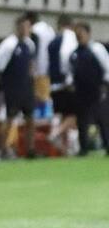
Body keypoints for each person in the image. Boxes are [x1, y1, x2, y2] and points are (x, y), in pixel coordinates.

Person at [0, 16, 37, 159]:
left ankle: (30, 149)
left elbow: (31, 64)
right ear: (17, 27)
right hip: (12, 87)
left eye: (28, 27)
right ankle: (4, 149)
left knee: (30, 118)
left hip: (26, 86)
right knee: (10, 117)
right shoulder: (8, 45)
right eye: (23, 27)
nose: (26, 30)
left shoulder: (30, 44)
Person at [69, 22, 109, 156]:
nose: (79, 37)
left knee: (102, 119)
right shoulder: (74, 53)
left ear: (88, 33)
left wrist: (104, 84)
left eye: (81, 34)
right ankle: (83, 147)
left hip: (97, 90)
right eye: (77, 34)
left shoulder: (96, 49)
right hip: (81, 91)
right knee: (82, 121)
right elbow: (70, 72)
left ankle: (107, 144)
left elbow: (106, 67)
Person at [47, 14, 79, 153]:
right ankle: (56, 133)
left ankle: (67, 147)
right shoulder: (69, 36)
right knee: (73, 114)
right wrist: (69, 78)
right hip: (65, 82)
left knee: (60, 113)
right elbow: (67, 56)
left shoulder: (52, 41)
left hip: (53, 83)